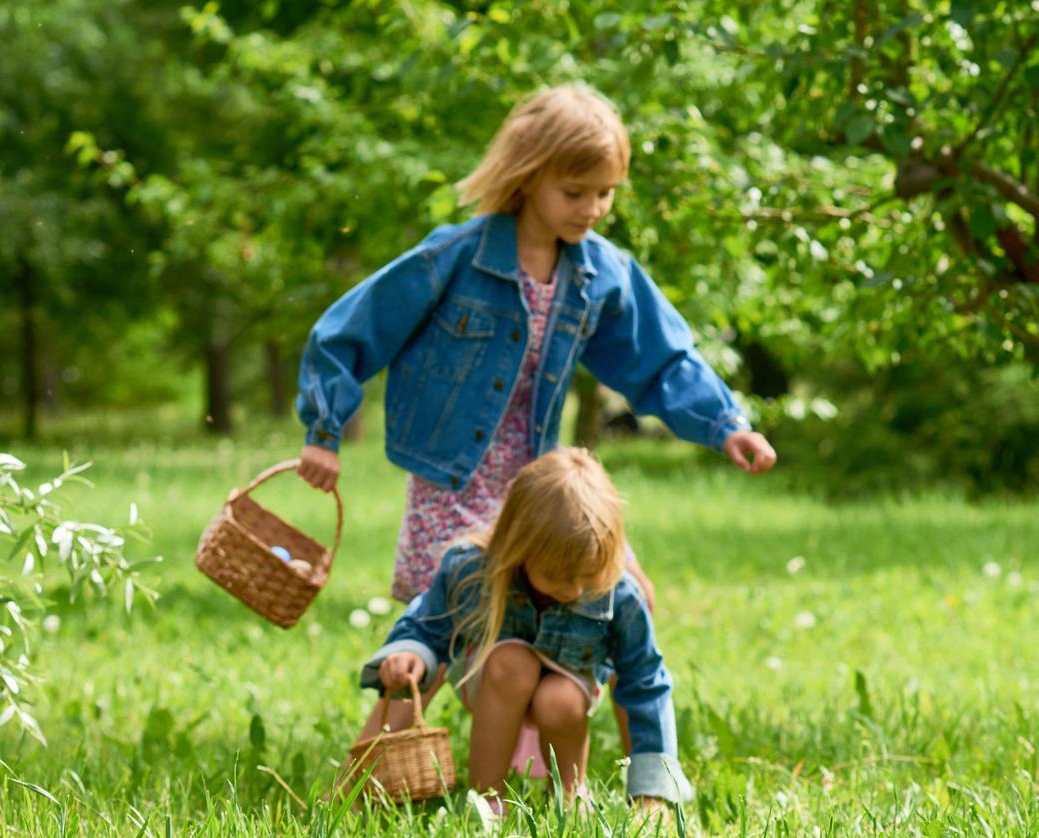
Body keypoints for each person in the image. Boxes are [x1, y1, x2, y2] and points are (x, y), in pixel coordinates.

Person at [295, 81, 775, 758]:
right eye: (574, 192)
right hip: (452, 481)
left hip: (534, 485)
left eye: (605, 192)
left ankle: (646, 781)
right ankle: (372, 774)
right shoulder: (453, 259)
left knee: (624, 591)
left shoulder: (598, 275)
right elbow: (350, 330)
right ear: (527, 177)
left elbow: (661, 358)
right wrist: (323, 431)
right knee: (443, 617)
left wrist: (724, 422)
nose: (592, 208)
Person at [360, 448, 689, 818]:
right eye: (558, 577)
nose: (574, 592)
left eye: (587, 577)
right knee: (511, 661)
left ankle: (569, 794)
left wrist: (651, 791)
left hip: (569, 692)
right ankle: (488, 798)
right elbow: (428, 624)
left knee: (559, 697)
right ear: (519, 548)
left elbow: (645, 684)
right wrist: (411, 653)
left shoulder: (621, 596)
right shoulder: (473, 571)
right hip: (495, 682)